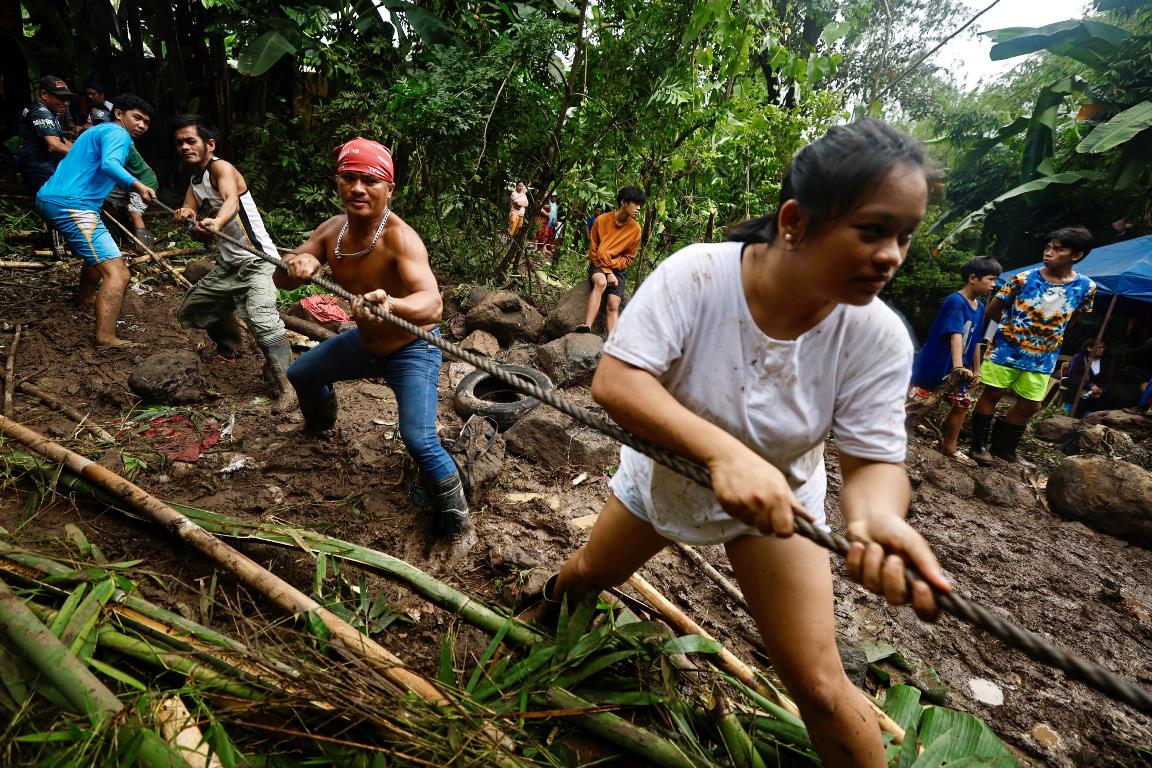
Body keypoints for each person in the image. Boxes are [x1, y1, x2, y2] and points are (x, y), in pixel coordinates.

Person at [530, 120, 949, 768]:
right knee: (589, 573)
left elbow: (873, 463)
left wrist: (878, 519)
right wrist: (724, 454)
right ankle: (549, 609)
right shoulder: (697, 277)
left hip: (776, 504)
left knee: (819, 686)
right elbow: (616, 380)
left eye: (904, 235)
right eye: (873, 230)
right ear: (794, 221)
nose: (893, 254)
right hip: (666, 478)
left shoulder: (879, 338)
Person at [279, 138, 470, 541]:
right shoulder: (332, 230)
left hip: (411, 350)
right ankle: (320, 428)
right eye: (349, 178)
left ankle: (458, 521)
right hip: (365, 343)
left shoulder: (401, 238)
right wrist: (300, 262)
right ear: (338, 181)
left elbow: (433, 305)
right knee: (302, 373)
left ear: (389, 189)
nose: (358, 189)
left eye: (370, 180)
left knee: (419, 439)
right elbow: (281, 277)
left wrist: (392, 304)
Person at [171, 114, 297, 414]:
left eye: (191, 141)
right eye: (180, 143)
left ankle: (288, 386)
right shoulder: (195, 180)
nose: (185, 147)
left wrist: (215, 219)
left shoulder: (221, 167)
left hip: (257, 260)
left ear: (209, 144)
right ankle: (231, 346)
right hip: (229, 265)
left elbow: (231, 201)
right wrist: (188, 219)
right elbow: (190, 209)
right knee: (194, 308)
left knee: (263, 320)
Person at [35, 94, 156, 348]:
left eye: (146, 122)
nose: (142, 125)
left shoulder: (96, 131)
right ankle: (106, 337)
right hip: (73, 205)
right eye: (137, 118)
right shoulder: (118, 134)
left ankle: (87, 300)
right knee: (118, 273)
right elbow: (110, 164)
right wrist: (137, 185)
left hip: (54, 199)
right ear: (120, 114)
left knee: (97, 258)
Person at [968, 227, 1097, 465]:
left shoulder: (1086, 287)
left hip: (1044, 356)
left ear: (1076, 256)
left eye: (1058, 249)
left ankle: (1004, 449)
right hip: (1007, 349)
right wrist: (1012, 331)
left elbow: (1075, 317)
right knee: (993, 393)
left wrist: (1050, 335)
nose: (1049, 253)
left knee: (1030, 405)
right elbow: (993, 309)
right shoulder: (1023, 279)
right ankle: (978, 446)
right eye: (1048, 247)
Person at [907, 255, 1002, 458]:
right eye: (991, 279)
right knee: (916, 404)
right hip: (934, 366)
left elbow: (976, 341)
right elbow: (955, 334)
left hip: (960, 371)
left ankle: (949, 447)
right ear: (973, 278)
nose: (994, 285)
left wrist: (977, 370)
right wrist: (958, 366)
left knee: (962, 404)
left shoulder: (980, 307)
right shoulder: (956, 301)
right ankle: (898, 440)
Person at [577, 186, 646, 335]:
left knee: (613, 304)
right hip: (598, 265)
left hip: (618, 269)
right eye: (636, 204)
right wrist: (608, 272)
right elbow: (594, 252)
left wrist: (613, 268)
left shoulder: (635, 229)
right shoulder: (601, 220)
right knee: (601, 283)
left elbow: (628, 258)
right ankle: (586, 326)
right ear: (623, 202)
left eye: (640, 205)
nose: (639, 209)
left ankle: (613, 345)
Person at [88, 108, 156, 246]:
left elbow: (111, 165)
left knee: (135, 212)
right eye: (97, 123)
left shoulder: (120, 138)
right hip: (127, 181)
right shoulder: (107, 136)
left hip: (144, 181)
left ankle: (144, 247)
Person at [16, 75, 74, 195]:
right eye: (61, 98)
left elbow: (61, 140)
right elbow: (55, 145)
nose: (66, 103)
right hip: (38, 168)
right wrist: (82, 155)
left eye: (67, 99)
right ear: (44, 94)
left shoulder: (48, 110)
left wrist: (82, 148)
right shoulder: (40, 112)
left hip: (40, 164)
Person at [1062, 339, 1113, 413]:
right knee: (1076, 382)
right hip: (1076, 381)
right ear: (1089, 348)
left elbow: (1106, 379)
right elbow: (1072, 374)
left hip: (1094, 387)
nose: (1102, 350)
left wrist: (1100, 389)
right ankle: (1067, 410)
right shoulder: (1079, 357)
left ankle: (1089, 414)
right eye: (1099, 347)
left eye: (1103, 348)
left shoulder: (1104, 362)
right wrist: (1090, 385)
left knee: (1108, 392)